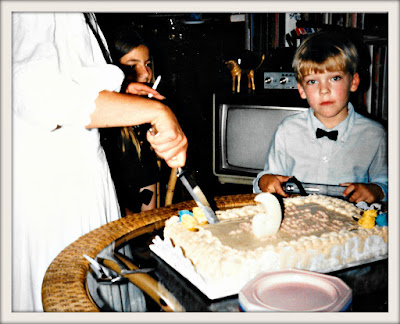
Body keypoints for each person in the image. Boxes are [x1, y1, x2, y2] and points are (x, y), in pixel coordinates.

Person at [12, 12, 187, 312]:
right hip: (58, 197)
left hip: (77, 188)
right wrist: (158, 113)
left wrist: (120, 92)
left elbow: (66, 79)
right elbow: (36, 94)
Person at [253, 30, 387, 204]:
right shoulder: (287, 131)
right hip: (297, 222)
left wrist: (376, 190)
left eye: (335, 78)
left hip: (352, 226)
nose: (324, 90)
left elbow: (387, 184)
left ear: (353, 82)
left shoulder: (374, 134)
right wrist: (265, 181)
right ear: (301, 89)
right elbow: (267, 177)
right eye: (312, 81)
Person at [100, 25, 162, 215]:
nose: (146, 74)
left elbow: (147, 182)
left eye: (148, 64)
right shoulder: (106, 128)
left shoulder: (140, 122)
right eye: (132, 65)